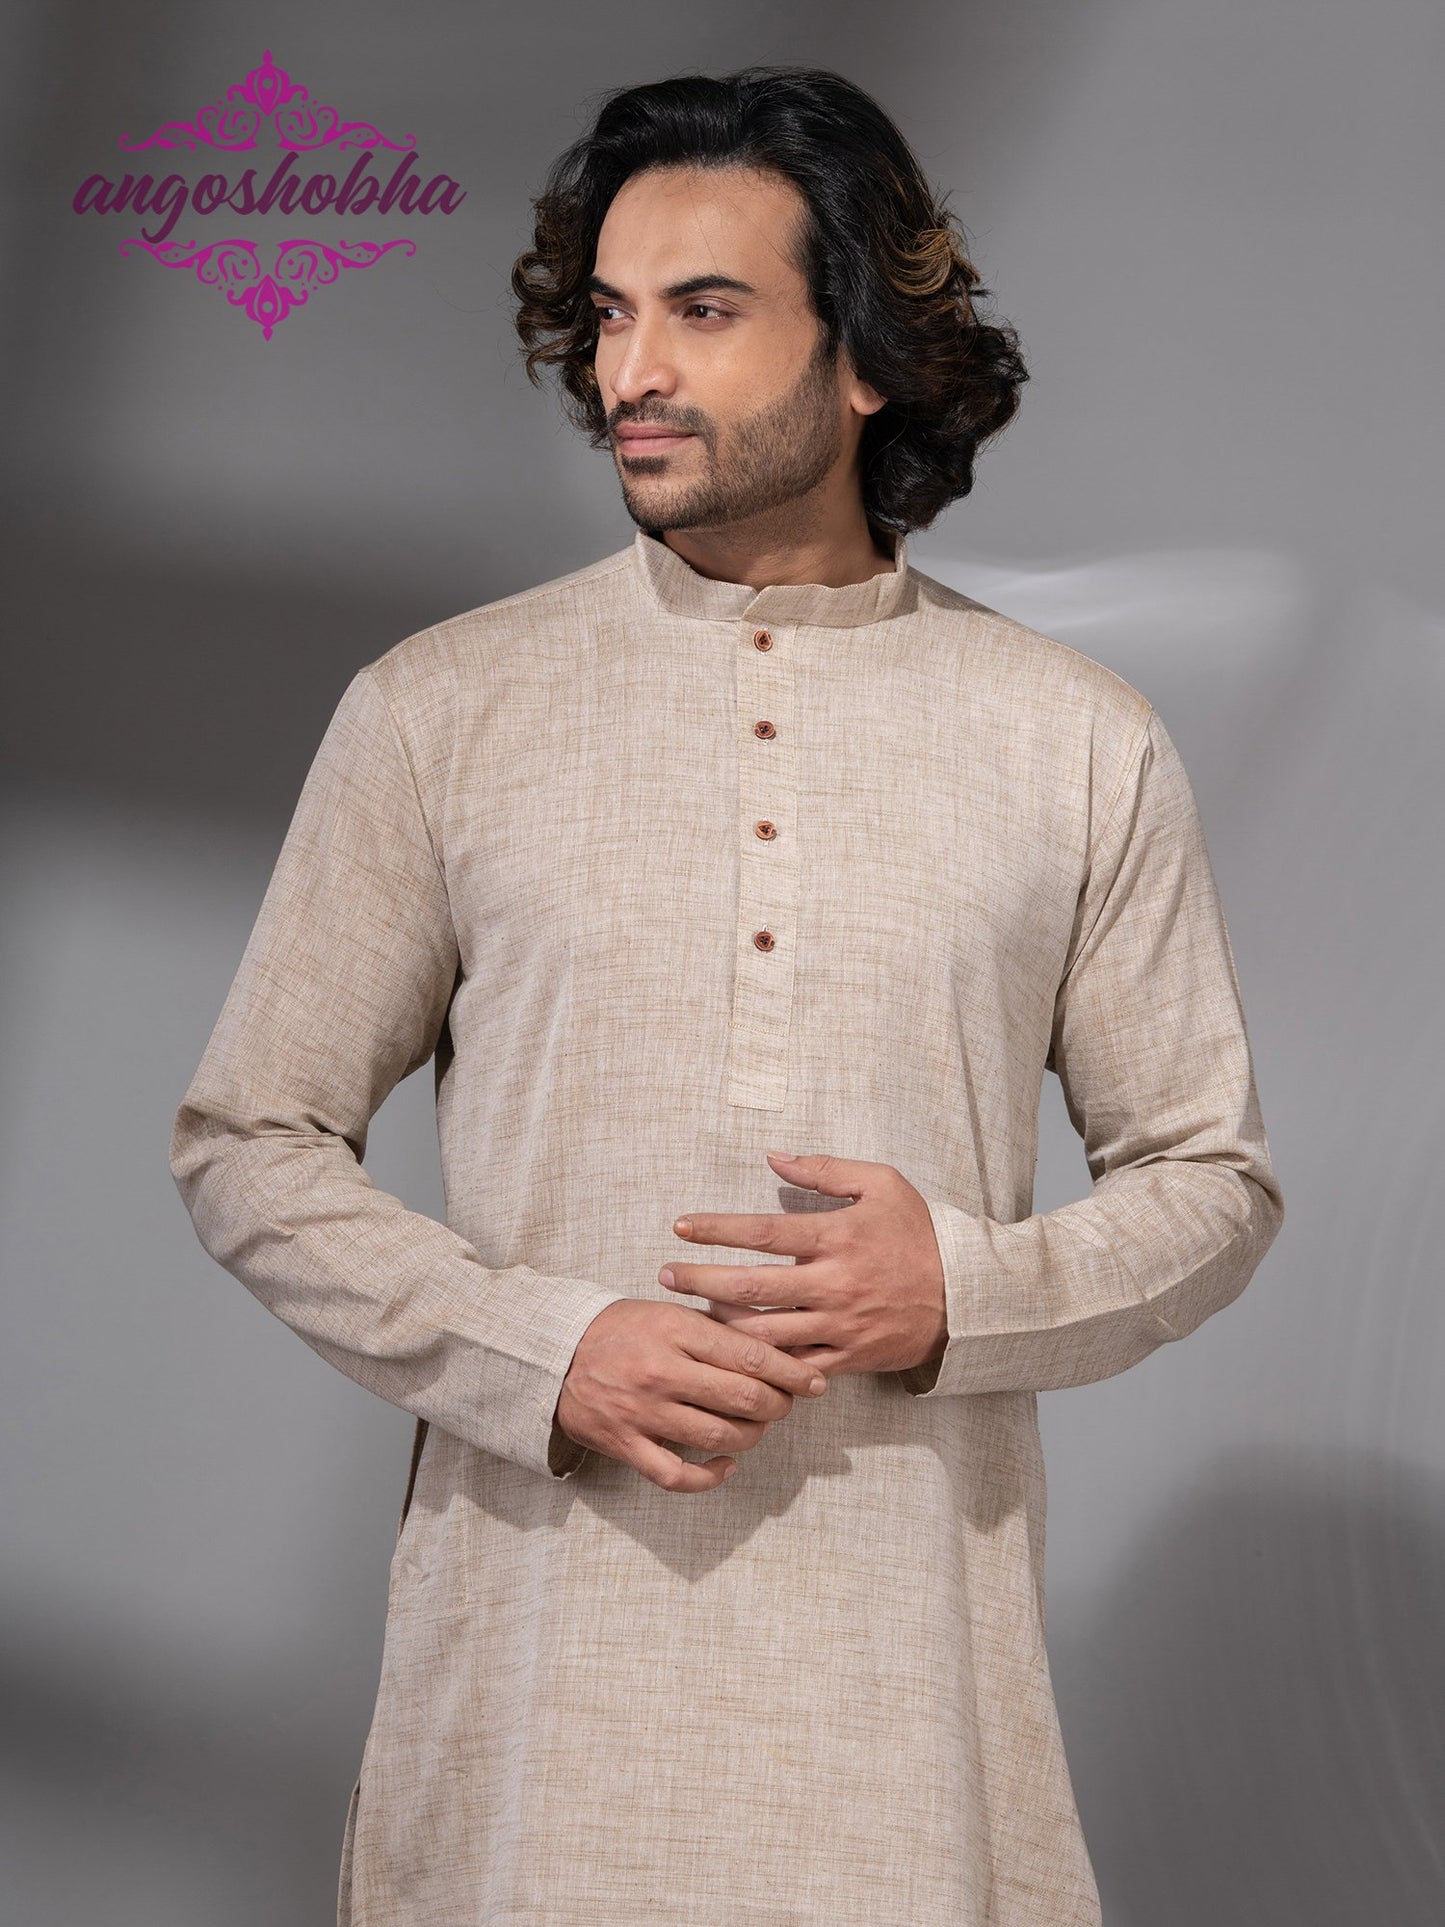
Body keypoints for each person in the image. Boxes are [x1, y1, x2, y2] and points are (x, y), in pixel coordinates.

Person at [169, 64, 1284, 1927]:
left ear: (863, 356)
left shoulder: (1073, 742)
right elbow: (247, 1140)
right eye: (610, 316)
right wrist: (540, 1351)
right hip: (538, 1709)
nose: (631, 371)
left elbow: (1210, 1179)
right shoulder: (443, 712)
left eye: (701, 310)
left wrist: (965, 1287)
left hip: (904, 1721)